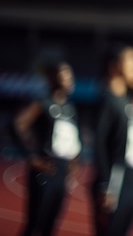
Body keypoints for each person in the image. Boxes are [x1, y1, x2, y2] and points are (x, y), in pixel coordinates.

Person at [12, 60, 82, 236]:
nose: (69, 79)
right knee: (35, 224)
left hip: (61, 172)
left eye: (70, 75)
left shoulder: (70, 109)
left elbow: (72, 141)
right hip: (45, 169)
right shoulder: (42, 103)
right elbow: (16, 125)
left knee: (51, 226)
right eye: (64, 74)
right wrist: (31, 156)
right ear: (52, 78)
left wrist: (73, 164)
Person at [89, 44, 133, 236]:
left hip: (128, 183)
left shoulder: (126, 102)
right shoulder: (107, 100)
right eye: (132, 61)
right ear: (114, 66)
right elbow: (100, 144)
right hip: (112, 184)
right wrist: (105, 185)